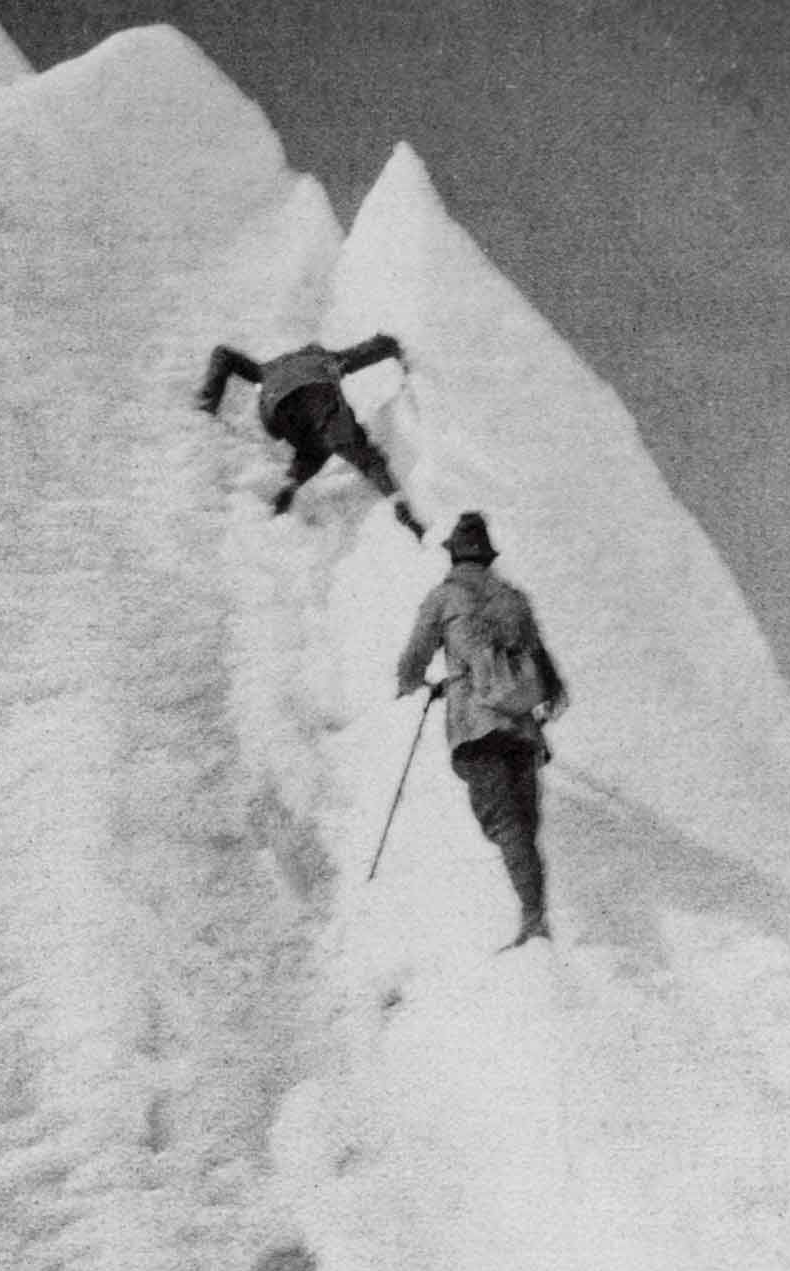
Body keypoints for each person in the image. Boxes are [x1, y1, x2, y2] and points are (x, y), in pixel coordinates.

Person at [395, 511, 566, 947]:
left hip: (475, 727)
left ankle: (533, 920)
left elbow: (412, 662)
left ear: (454, 555)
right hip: (522, 729)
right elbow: (545, 670)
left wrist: (414, 686)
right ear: (488, 557)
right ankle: (536, 915)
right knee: (522, 823)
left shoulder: (444, 597)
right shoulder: (514, 599)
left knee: (502, 821)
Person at [196, 336, 426, 538]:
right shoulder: (323, 358)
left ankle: (289, 487)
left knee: (316, 447)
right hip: (318, 397)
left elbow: (223, 354)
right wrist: (396, 349)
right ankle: (402, 509)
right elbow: (373, 349)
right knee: (364, 456)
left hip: (278, 411)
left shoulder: (267, 369)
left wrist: (206, 408)